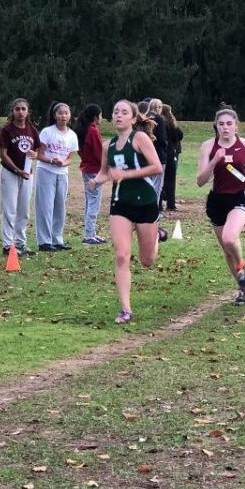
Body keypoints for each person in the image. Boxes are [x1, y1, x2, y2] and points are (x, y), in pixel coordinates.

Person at [90, 99, 162, 324]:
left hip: (145, 202)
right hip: (120, 204)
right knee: (121, 256)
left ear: (133, 118)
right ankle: (126, 310)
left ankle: (157, 235)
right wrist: (96, 181)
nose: (118, 115)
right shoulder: (107, 145)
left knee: (147, 260)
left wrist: (127, 174)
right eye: (115, 112)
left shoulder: (139, 138)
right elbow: (105, 173)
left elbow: (157, 168)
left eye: (124, 112)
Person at [196, 107, 245, 306]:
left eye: (229, 124)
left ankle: (242, 268)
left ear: (236, 125)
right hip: (217, 201)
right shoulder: (208, 146)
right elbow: (200, 180)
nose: (225, 128)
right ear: (216, 126)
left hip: (240, 198)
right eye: (221, 124)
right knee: (226, 250)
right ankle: (242, 288)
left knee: (230, 238)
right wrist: (214, 161)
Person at [0, 98, 40, 256]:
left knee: (24, 210)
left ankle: (20, 243)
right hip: (10, 173)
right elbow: (3, 154)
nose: (20, 112)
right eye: (17, 109)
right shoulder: (7, 130)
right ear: (13, 111)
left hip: (27, 174)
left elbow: (38, 149)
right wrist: (16, 170)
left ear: (28, 111)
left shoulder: (32, 129)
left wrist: (36, 154)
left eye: (23, 109)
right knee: (9, 209)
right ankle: (8, 245)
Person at [34, 101, 79, 252]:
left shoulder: (72, 135)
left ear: (70, 115)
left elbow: (70, 157)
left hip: (62, 174)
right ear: (55, 115)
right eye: (60, 113)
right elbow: (39, 154)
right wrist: (51, 160)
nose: (63, 116)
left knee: (60, 207)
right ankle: (44, 241)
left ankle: (57, 239)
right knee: (45, 206)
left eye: (66, 113)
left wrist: (63, 163)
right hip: (46, 171)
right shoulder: (47, 132)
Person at [75, 103, 106, 244]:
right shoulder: (93, 131)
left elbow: (80, 150)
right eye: (100, 115)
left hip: (87, 168)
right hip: (94, 170)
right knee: (94, 202)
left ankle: (91, 232)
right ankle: (88, 234)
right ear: (95, 117)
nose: (102, 118)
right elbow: (99, 152)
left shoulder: (84, 130)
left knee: (90, 201)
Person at [161, 103, 183, 211]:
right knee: (171, 180)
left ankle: (159, 204)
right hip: (171, 153)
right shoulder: (172, 124)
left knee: (160, 180)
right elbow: (180, 135)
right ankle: (171, 204)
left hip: (162, 153)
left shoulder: (159, 123)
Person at [147, 98, 168, 206]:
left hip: (146, 155)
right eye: (159, 107)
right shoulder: (159, 119)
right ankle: (153, 210)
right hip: (159, 155)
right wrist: (166, 146)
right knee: (158, 185)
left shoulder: (145, 117)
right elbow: (162, 138)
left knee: (148, 183)